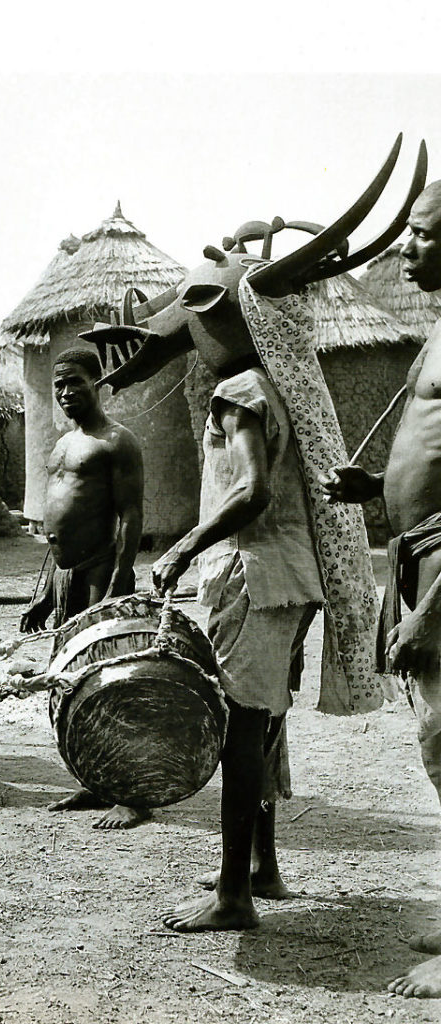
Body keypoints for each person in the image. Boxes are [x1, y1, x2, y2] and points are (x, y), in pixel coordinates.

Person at [153, 353, 324, 932]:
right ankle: (261, 866)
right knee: (265, 724)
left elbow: (252, 490)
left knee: (242, 731)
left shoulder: (239, 391)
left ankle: (233, 897)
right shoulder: (281, 384)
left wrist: (185, 546)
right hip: (291, 576)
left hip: (257, 576)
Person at [323, 180, 441, 1000]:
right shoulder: (435, 338)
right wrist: (378, 489)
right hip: (416, 557)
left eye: (424, 235)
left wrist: (433, 612)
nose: (406, 249)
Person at [20, 346, 145, 829]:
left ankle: (133, 793)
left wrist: (119, 580)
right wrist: (45, 592)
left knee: (108, 681)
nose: (67, 393)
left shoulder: (118, 441)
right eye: (59, 386)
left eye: (77, 383)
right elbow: (56, 521)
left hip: (101, 572)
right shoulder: (62, 444)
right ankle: (95, 780)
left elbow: (132, 515)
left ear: (100, 383)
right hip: (66, 575)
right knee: (70, 684)